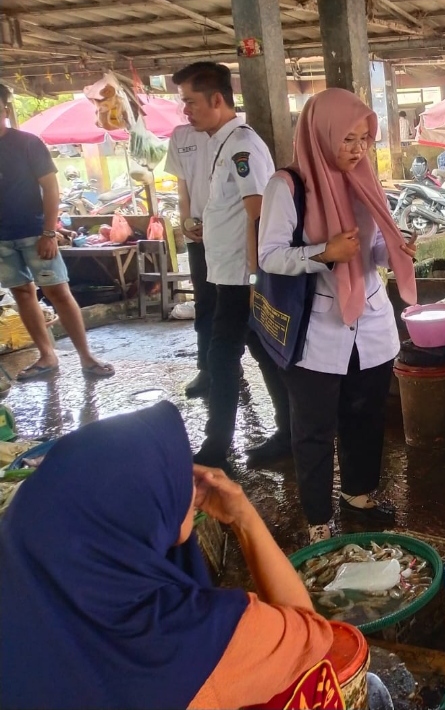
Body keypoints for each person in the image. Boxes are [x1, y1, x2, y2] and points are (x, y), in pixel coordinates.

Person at [0, 401, 334, 710]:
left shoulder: (22, 572)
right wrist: (244, 518)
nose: (190, 477)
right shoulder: (192, 635)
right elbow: (309, 640)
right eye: (174, 472)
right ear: (140, 508)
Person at [259, 88, 418, 543]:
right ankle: (317, 518)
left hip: (369, 321)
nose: (358, 150)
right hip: (316, 328)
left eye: (365, 139)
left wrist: (394, 248)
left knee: (365, 415)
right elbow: (270, 255)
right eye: (348, 139)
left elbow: (368, 248)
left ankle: (359, 494)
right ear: (320, 132)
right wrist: (324, 253)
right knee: (313, 429)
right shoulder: (288, 186)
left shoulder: (364, 179)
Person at [171, 62, 291, 470]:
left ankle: (215, 448)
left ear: (216, 99)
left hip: (244, 276)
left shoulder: (241, 145)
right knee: (261, 351)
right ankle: (287, 432)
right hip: (230, 272)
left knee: (222, 358)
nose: (185, 111)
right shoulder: (221, 144)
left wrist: (258, 278)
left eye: (190, 101)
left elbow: (258, 211)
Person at [0, 82, 114, 381]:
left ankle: (87, 358)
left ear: (3, 108)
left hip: (35, 234)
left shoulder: (26, 143)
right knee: (22, 294)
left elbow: (50, 186)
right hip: (1, 240)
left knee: (58, 293)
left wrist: (49, 232)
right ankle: (47, 357)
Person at [164, 122, 214, 397]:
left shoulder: (239, 134)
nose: (186, 109)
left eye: (191, 100)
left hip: (234, 238)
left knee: (246, 302)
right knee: (205, 302)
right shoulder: (180, 135)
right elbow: (182, 186)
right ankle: (207, 367)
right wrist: (185, 221)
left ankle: (236, 362)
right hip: (200, 237)